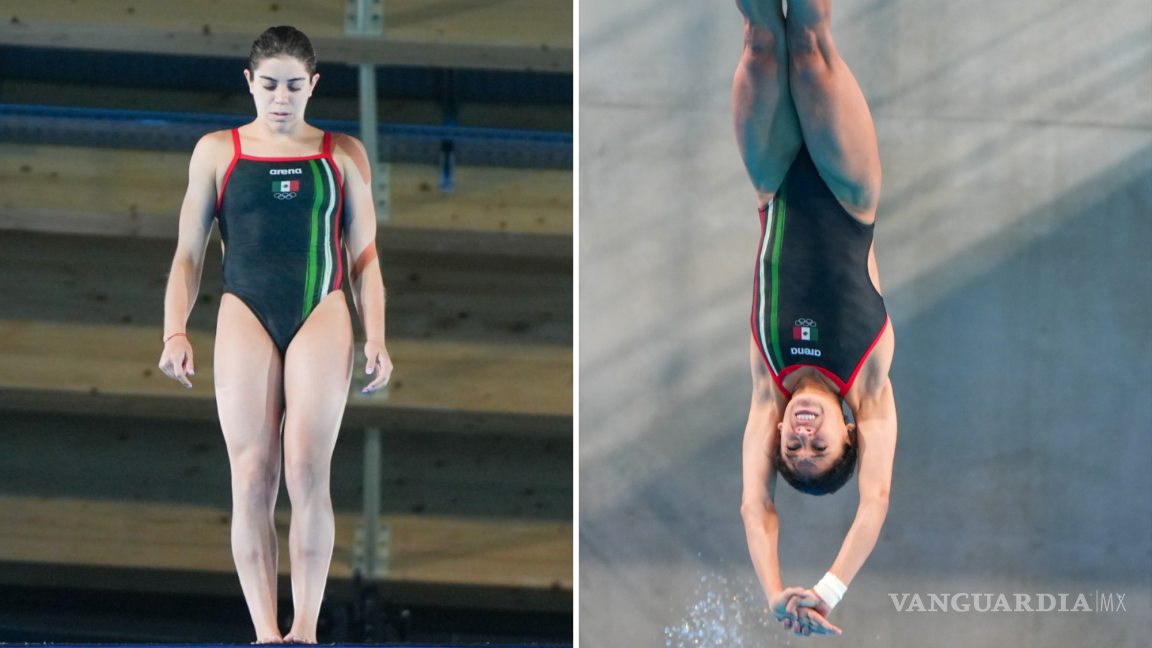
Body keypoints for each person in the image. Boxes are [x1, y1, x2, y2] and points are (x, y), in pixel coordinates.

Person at [157, 26, 393, 644]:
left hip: (322, 308)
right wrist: (173, 331)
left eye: (294, 86)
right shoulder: (217, 151)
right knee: (253, 473)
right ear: (249, 83)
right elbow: (187, 255)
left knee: (307, 469)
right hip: (246, 309)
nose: (281, 98)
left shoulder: (342, 154)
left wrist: (378, 337)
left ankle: (306, 630)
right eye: (269, 85)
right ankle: (267, 633)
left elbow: (365, 258)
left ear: (313, 85)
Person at [732, 0, 897, 638]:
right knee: (807, 42)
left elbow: (755, 504)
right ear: (849, 433)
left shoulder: (765, 388)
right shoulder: (870, 387)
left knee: (757, 41)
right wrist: (826, 589)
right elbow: (875, 501)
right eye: (818, 447)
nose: (801, 436)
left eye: (791, 449)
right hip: (847, 187)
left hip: (772, 182)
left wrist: (775, 592)